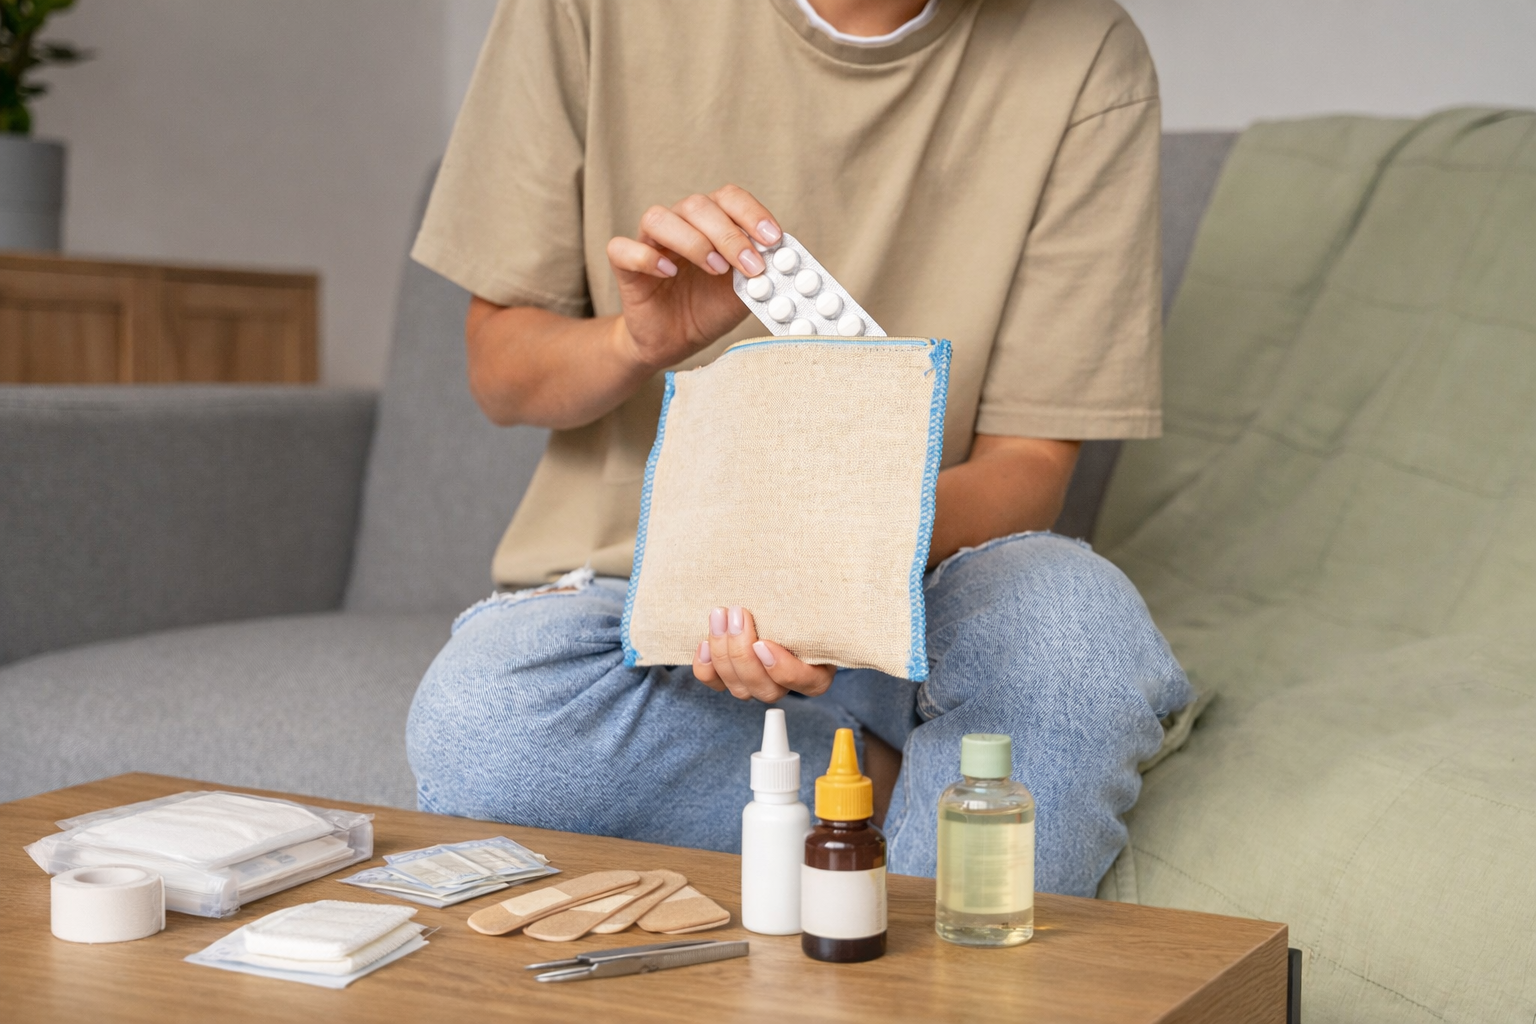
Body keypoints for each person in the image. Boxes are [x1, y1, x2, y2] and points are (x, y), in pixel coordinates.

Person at [405, 0, 1192, 896]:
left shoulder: (1087, 52)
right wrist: (638, 341)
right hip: (642, 608)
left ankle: (914, 949)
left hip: (925, 593)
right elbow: (501, 375)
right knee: (489, 719)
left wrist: (818, 566)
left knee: (1075, 628)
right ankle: (905, 808)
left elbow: (1032, 466)